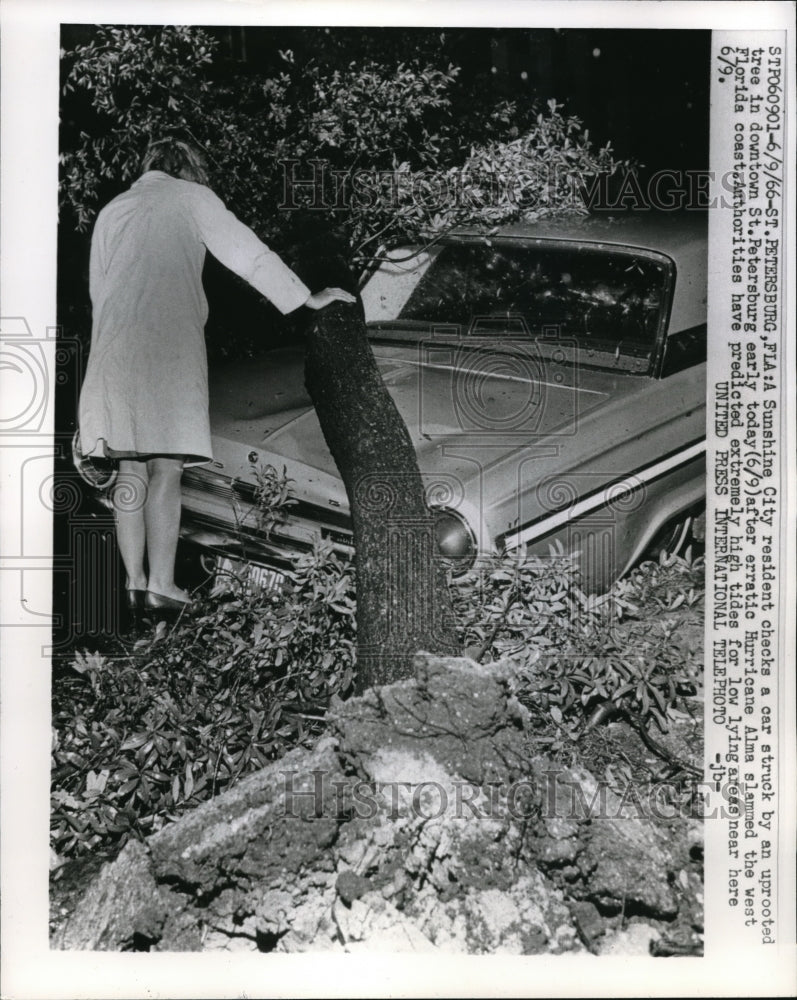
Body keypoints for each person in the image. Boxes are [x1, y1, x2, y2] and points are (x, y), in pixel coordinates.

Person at [77, 137, 355, 619]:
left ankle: (134, 582)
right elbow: (248, 253)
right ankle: (163, 584)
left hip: (114, 351)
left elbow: (99, 292)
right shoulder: (192, 197)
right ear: (189, 167)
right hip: (167, 349)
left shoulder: (113, 209)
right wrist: (304, 297)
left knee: (130, 470)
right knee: (165, 468)